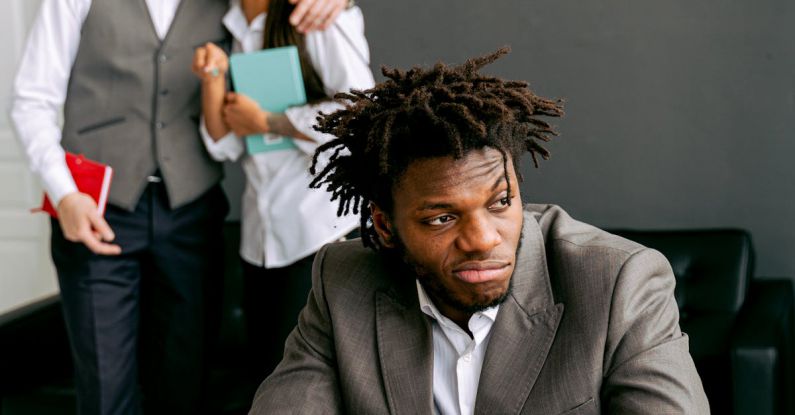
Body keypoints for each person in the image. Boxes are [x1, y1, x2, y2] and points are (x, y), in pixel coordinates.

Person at [248, 48, 711, 414]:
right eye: (442, 218)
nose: (483, 239)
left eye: (500, 203)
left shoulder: (618, 283)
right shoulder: (344, 281)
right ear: (385, 225)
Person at [9, 0, 347, 413]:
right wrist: (64, 194)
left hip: (191, 213)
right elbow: (32, 100)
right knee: (104, 393)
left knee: (183, 387)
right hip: (97, 211)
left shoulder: (231, 4)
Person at [190, 0, 375, 380]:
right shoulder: (228, 24)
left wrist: (269, 121)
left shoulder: (316, 13)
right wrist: (213, 82)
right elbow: (226, 146)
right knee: (270, 378)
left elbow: (361, 115)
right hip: (261, 240)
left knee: (313, 381)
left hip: (319, 233)